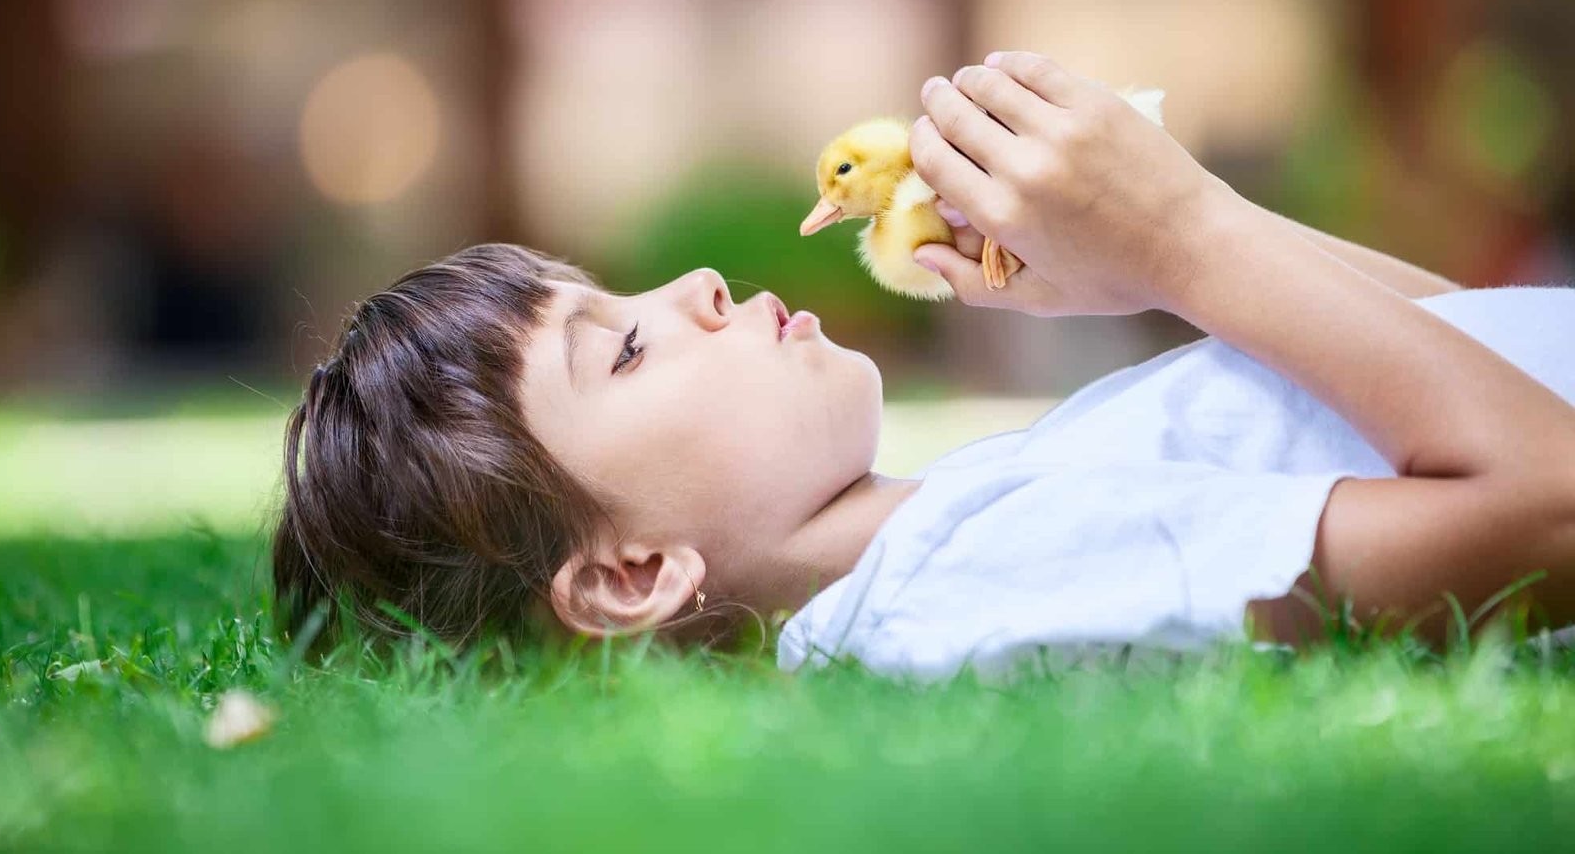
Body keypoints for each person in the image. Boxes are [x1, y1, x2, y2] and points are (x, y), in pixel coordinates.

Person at [273, 52, 1575, 679]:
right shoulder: (986, 575)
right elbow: (1546, 507)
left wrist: (1161, 265)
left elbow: (1469, 340)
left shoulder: (973, 510)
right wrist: (1184, 239)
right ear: (629, 573)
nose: (696, 286)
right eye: (620, 347)